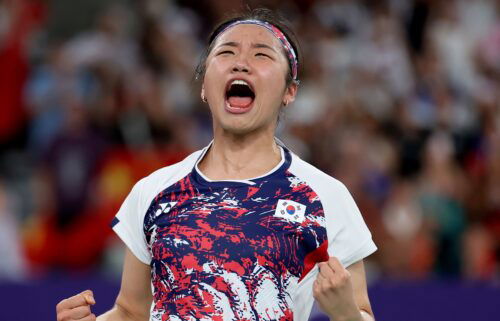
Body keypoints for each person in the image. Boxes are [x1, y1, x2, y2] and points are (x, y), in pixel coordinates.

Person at [56, 8, 377, 321]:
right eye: (226, 53)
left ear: (289, 91)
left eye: (261, 55)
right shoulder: (154, 191)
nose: (241, 63)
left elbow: (361, 312)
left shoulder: (324, 196)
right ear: (203, 86)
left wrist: (345, 313)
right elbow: (131, 312)